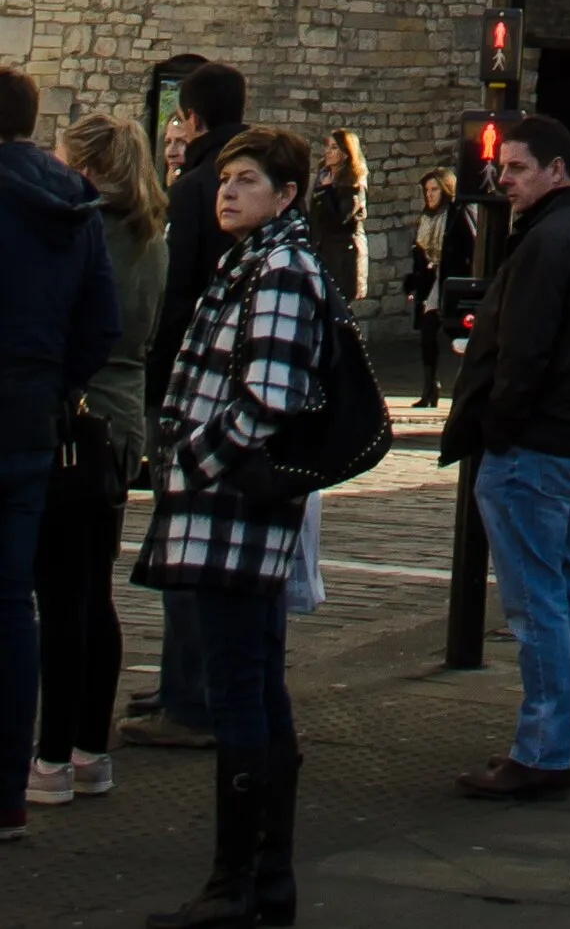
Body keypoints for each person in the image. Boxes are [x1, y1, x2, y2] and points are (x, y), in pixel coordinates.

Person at [133, 124, 325, 927]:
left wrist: (191, 462)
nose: (227, 191)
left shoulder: (279, 269)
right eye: (223, 180)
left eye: (246, 180)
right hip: (224, 512)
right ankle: (262, 878)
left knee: (241, 693)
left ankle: (237, 883)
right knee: (254, 688)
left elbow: (267, 400)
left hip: (232, 514)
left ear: (285, 196)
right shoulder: (251, 262)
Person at [440, 112, 570, 802]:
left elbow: (526, 352)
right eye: (503, 167)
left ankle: (545, 748)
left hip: (538, 444)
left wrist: (500, 426)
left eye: (517, 168)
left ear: (557, 171)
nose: (503, 179)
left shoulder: (552, 242)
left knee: (539, 605)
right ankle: (567, 740)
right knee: (566, 595)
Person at [27, 115, 168, 807]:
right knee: (93, 592)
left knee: (58, 594)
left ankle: (52, 757)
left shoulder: (82, 225)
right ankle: (91, 750)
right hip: (122, 417)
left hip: (80, 416)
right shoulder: (149, 231)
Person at [0, 65, 119, 848]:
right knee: (13, 604)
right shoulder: (71, 204)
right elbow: (100, 323)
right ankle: (9, 790)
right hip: (28, 418)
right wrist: (54, 385)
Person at [131, 62, 247, 748]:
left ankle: (190, 695)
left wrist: (159, 377)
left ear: (193, 120)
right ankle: (185, 679)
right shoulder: (240, 179)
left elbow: (175, 298)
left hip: (193, 385)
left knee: (186, 545)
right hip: (226, 385)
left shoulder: (199, 186)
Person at [404, 172, 469, 411]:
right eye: (427, 190)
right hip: (431, 280)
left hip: (451, 277)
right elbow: (419, 252)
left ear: (445, 190)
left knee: (458, 335)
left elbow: (466, 246)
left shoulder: (456, 214)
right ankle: (430, 388)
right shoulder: (426, 217)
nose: (429, 195)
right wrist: (414, 282)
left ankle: (464, 388)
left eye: (434, 190)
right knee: (428, 333)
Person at [306, 132, 367, 309]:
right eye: (327, 146)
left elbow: (342, 219)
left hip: (341, 256)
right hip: (320, 251)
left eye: (334, 147)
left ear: (346, 153)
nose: (328, 152)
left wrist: (327, 192)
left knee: (338, 308)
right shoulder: (321, 177)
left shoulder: (353, 183)